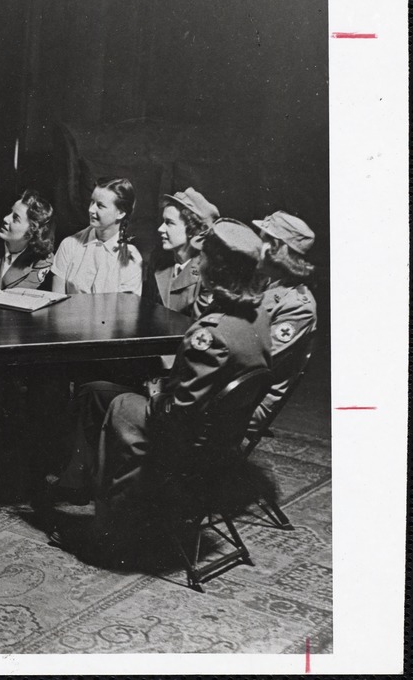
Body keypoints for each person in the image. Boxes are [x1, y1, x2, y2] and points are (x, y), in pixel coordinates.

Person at [46, 219, 271, 546]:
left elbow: (176, 414)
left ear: (216, 269)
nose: (200, 263)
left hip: (189, 441)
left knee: (122, 405)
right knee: (94, 392)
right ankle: (81, 482)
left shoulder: (212, 335)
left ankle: (110, 527)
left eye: (204, 257)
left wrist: (154, 392)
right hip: (220, 436)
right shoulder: (258, 315)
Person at [250, 211, 319, 433]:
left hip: (248, 401)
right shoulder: (266, 283)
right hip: (237, 387)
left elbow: (257, 363)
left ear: (276, 249)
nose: (254, 245)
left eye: (261, 239)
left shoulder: (298, 306)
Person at [50, 177, 143, 295]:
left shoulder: (131, 259)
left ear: (120, 213)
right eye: (92, 202)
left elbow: (127, 311)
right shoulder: (69, 245)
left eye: (100, 205)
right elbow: (57, 304)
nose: (91, 209)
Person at [143, 187, 218, 316]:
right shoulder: (157, 260)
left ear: (192, 229)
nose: (160, 229)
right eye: (163, 221)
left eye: (169, 223)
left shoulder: (208, 271)